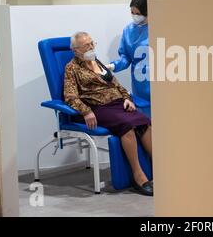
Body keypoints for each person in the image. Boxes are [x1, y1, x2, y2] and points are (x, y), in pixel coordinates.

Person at [64, 32, 153, 196]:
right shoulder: (72, 68)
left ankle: (158, 169)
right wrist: (86, 111)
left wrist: (127, 98)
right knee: (127, 126)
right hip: (97, 107)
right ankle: (138, 176)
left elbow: (116, 83)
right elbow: (70, 96)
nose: (91, 47)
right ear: (75, 50)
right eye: (86, 45)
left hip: (117, 104)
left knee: (144, 121)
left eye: (92, 43)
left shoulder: (96, 61)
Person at [107, 0, 150, 114]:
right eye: (132, 12)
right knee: (144, 122)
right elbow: (125, 57)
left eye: (138, 13)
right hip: (139, 84)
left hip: (158, 81)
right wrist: (113, 66)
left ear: (147, 12)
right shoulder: (128, 31)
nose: (135, 16)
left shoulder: (159, 28)